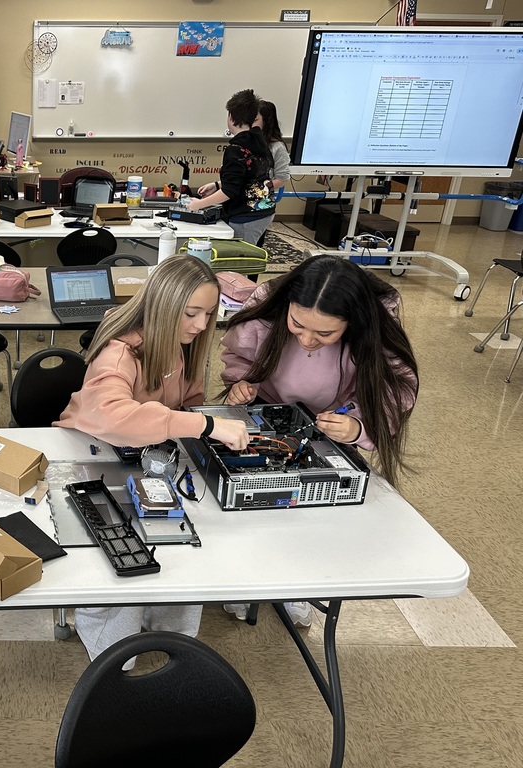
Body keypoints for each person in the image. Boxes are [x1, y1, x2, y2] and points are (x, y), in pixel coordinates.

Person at [55, 256, 251, 661]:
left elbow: (189, 404)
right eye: (191, 313)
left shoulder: (182, 347)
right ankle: (113, 639)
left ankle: (169, 633)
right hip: (94, 456)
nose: (201, 325)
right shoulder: (118, 354)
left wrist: (209, 416)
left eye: (209, 313)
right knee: (120, 559)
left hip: (146, 458)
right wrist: (206, 427)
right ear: (162, 307)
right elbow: (114, 416)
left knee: (182, 550)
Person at [219, 254, 419, 625]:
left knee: (309, 514)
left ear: (353, 322)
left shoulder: (377, 324)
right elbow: (238, 355)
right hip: (266, 411)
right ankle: (243, 582)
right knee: (254, 504)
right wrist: (241, 385)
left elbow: (395, 390)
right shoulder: (267, 304)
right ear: (288, 308)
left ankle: (296, 586)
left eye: (325, 334)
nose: (308, 340)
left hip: (333, 425)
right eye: (297, 325)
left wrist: (359, 427)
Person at [188, 88, 276, 246]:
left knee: (239, 259)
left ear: (231, 117)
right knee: (251, 255)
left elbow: (230, 191)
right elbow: (252, 177)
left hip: (246, 216)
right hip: (264, 210)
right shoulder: (259, 141)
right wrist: (217, 185)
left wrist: (197, 205)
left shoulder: (235, 149)